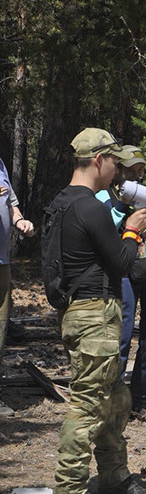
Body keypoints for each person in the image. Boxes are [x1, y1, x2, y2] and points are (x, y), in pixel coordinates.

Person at [47, 128, 146, 494]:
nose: (118, 170)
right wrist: (132, 231)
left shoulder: (62, 203)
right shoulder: (90, 208)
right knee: (89, 404)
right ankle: (68, 491)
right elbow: (123, 262)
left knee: (116, 399)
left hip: (82, 313)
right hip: (95, 316)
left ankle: (114, 478)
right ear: (99, 160)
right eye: (114, 161)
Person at [96, 146, 146, 420]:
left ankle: (138, 400)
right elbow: (103, 229)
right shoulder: (103, 197)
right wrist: (123, 209)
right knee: (122, 337)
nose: (138, 176)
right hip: (124, 274)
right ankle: (115, 399)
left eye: (141, 171)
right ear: (118, 170)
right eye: (131, 171)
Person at [0, 159, 34, 417]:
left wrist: (20, 220)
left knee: (0, 328)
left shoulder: (0, 165)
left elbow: (10, 203)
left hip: (2, 261)